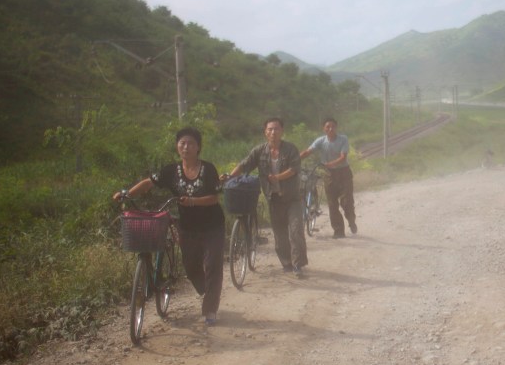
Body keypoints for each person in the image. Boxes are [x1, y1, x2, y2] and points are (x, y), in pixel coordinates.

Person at [113, 127, 224, 326]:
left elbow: (214, 198)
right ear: (177, 147)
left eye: (190, 143)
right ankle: (209, 290)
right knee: (190, 268)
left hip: (212, 225)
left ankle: (210, 310)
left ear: (198, 147)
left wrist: (192, 201)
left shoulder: (208, 169)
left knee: (213, 266)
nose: (186, 147)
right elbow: (149, 183)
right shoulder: (171, 170)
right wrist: (127, 194)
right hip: (188, 226)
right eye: (182, 143)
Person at [224, 117, 308, 277]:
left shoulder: (291, 149)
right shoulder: (259, 151)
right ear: (265, 132)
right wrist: (229, 177)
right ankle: (287, 263)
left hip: (292, 198)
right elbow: (244, 165)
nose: (273, 132)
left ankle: (298, 265)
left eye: (276, 129)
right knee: (280, 234)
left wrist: (278, 177)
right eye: (270, 129)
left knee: (296, 231)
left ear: (282, 131)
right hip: (273, 198)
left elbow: (294, 169)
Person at [300, 117, 357, 238]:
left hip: (344, 173)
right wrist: (295, 159)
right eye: (327, 127)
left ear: (336, 128)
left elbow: (343, 157)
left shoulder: (343, 139)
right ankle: (338, 231)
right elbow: (308, 151)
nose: (330, 129)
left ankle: (351, 220)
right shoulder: (320, 141)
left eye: (333, 126)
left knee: (346, 202)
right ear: (324, 129)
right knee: (332, 204)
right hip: (329, 175)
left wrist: (330, 164)